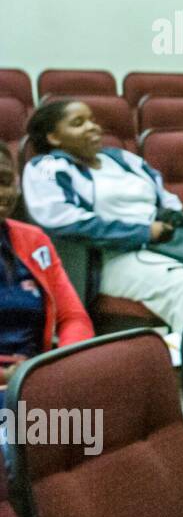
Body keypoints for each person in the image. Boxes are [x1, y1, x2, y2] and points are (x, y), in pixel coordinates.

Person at [24, 100, 183, 336]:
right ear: (54, 137)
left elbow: (167, 200)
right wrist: (142, 232)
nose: (92, 127)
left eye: (92, 120)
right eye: (78, 123)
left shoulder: (122, 159)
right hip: (108, 258)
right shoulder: (47, 168)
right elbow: (64, 221)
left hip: (165, 244)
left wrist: (179, 227)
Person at [0, 143, 93, 390]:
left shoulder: (33, 240)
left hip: (34, 380)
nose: (2, 193)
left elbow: (73, 318)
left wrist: (63, 365)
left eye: (6, 182)